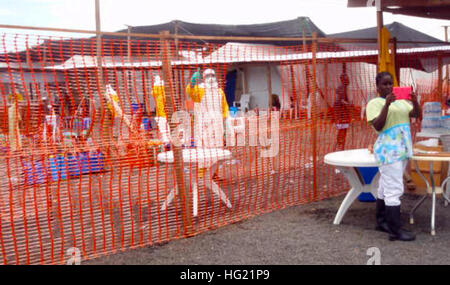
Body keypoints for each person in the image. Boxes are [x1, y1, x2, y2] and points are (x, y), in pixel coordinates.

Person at [366, 71, 421, 241]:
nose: (389, 87)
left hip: (402, 150)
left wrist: (414, 101)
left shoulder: (402, 102)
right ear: (377, 87)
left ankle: (382, 222)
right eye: (385, 84)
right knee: (394, 188)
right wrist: (386, 105)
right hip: (389, 152)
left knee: (384, 186)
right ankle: (395, 231)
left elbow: (416, 115)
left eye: (391, 83)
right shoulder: (374, 103)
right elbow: (378, 125)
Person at [187, 69, 231, 148]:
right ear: (203, 78)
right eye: (207, 76)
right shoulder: (200, 89)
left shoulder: (220, 91)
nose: (211, 78)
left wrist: (227, 118)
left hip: (218, 122)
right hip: (205, 123)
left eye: (212, 76)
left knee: (218, 144)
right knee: (205, 145)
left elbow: (224, 106)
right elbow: (191, 92)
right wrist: (192, 84)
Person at [334, 73, 351, 151]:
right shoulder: (341, 88)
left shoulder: (344, 88)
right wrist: (348, 104)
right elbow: (339, 100)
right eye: (347, 79)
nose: (348, 80)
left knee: (344, 129)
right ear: (343, 80)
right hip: (341, 112)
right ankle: (340, 144)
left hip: (344, 112)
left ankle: (341, 144)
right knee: (342, 129)